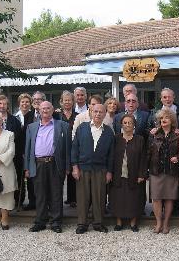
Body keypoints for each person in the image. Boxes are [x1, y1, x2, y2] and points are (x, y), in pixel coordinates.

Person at [25, 101, 71, 233]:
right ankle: (40, 221)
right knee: (40, 194)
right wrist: (27, 167)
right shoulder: (31, 127)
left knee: (56, 193)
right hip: (38, 164)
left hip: (55, 163)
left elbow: (68, 148)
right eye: (42, 108)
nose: (45, 110)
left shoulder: (63, 126)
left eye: (48, 108)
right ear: (39, 110)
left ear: (53, 110)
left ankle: (56, 222)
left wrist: (67, 166)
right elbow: (28, 149)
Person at [71, 103, 115, 234]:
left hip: (100, 169)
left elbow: (111, 155)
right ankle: (82, 224)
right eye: (95, 111)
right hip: (83, 168)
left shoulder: (108, 132)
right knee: (82, 197)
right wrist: (74, 167)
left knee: (99, 197)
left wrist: (109, 171)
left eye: (101, 112)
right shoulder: (82, 128)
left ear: (105, 114)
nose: (98, 114)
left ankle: (98, 223)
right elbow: (74, 149)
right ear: (90, 112)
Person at [110, 114, 147, 232]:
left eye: (129, 122)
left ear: (134, 125)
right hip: (118, 174)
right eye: (125, 123)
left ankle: (133, 223)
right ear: (121, 124)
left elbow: (143, 158)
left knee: (134, 198)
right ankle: (119, 222)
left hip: (134, 174)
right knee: (118, 198)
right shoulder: (116, 138)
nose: (127, 125)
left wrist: (142, 174)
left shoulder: (140, 139)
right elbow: (110, 157)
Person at [148, 109, 179, 234]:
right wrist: (145, 171)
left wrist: (177, 157)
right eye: (161, 118)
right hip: (156, 170)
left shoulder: (178, 135)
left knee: (169, 198)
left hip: (171, 172)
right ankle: (158, 223)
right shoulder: (154, 134)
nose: (163, 120)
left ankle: (166, 223)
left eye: (166, 117)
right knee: (156, 198)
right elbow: (148, 152)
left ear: (172, 120)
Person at [54, 90, 78, 208]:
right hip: (60, 147)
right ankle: (57, 200)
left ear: (73, 102)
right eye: (65, 100)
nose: (67, 102)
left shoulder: (77, 115)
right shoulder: (56, 115)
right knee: (59, 173)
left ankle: (72, 199)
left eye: (69, 100)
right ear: (61, 102)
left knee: (72, 172)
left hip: (74, 146)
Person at [15, 93, 35, 209]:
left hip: (30, 151)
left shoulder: (34, 116)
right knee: (18, 177)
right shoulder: (14, 117)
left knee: (31, 178)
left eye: (27, 102)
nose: (25, 104)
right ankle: (19, 200)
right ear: (19, 103)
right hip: (18, 152)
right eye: (23, 102)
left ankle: (32, 201)